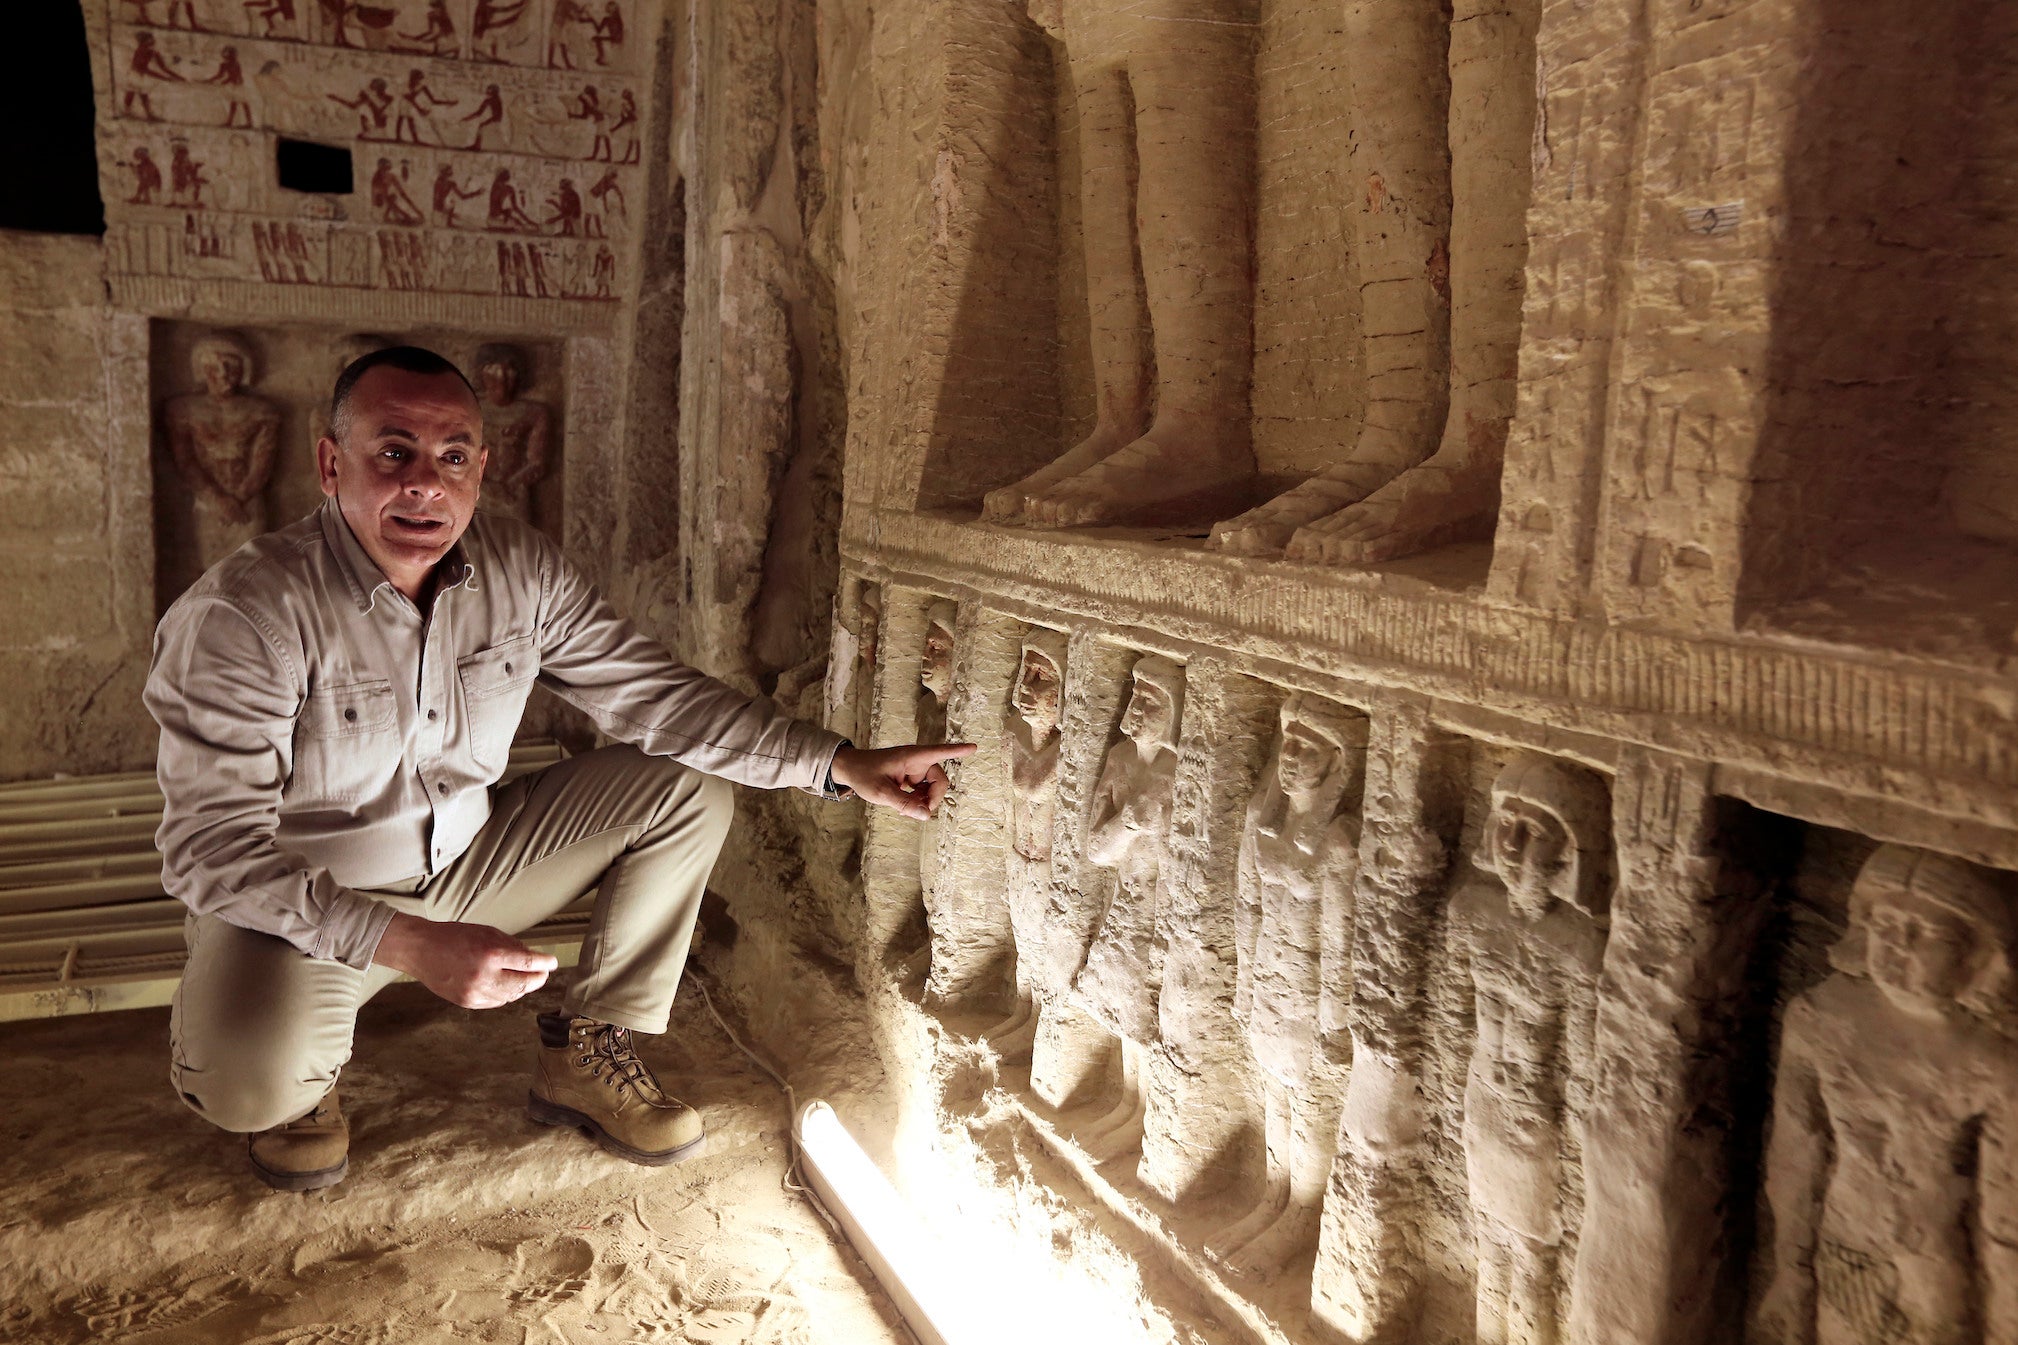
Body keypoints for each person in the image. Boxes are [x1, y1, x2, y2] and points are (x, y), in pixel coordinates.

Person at [147, 346, 972, 1192]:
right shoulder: (243, 615)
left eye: (453, 456)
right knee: (246, 1084)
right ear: (331, 462)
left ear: (482, 467)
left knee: (682, 787)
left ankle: (587, 1050)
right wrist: (410, 942)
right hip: (307, 907)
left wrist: (838, 764)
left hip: (470, 862)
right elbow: (211, 851)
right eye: (393, 452)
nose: (425, 483)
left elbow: (656, 698)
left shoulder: (519, 570)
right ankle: (302, 1085)